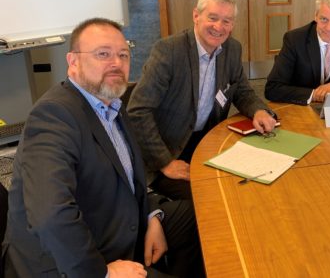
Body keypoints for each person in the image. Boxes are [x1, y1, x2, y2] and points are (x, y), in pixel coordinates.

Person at [2, 18, 199, 278]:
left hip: (114, 222)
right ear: (73, 63)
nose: (116, 63)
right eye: (103, 54)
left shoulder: (112, 104)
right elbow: (50, 215)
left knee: (197, 215)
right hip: (72, 261)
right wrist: (102, 273)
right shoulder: (53, 116)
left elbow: (127, 179)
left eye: (123, 55)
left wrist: (153, 215)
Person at [127, 0, 277, 200]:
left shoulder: (232, 49)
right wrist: (165, 162)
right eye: (213, 18)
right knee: (210, 199)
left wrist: (259, 111)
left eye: (226, 21)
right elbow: (137, 111)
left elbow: (241, 90)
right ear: (196, 16)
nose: (219, 27)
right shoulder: (169, 51)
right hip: (168, 150)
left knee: (250, 184)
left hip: (207, 142)